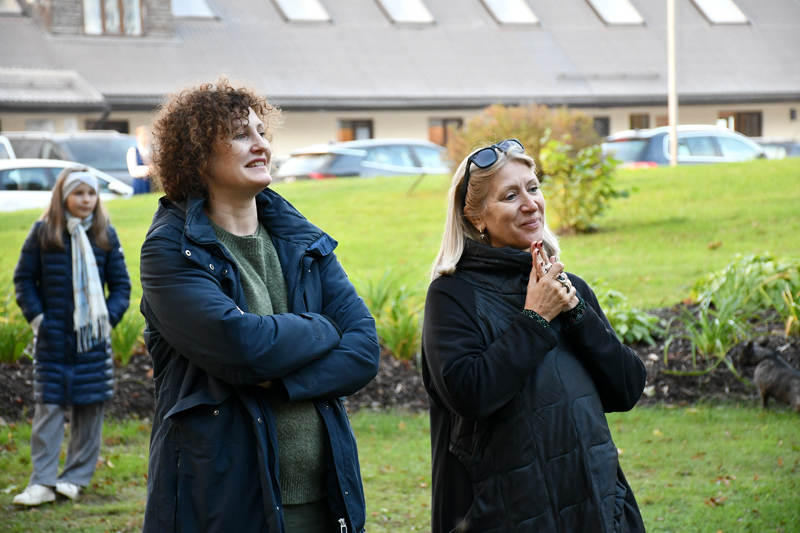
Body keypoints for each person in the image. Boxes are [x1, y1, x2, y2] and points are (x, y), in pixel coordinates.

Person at [139, 79, 380, 533]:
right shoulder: (170, 249)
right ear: (197, 155)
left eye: (262, 132)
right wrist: (324, 327)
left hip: (327, 498)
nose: (261, 145)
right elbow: (243, 348)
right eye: (239, 135)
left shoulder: (299, 239)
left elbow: (365, 350)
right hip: (226, 503)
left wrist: (280, 380)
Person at [422, 139, 647, 533]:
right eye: (510, 195)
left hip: (597, 506)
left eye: (533, 188)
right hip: (504, 515)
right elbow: (470, 394)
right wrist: (536, 317)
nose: (530, 204)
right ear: (476, 217)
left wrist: (576, 311)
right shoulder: (452, 295)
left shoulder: (568, 287)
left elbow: (626, 389)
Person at [12, 167, 131, 506]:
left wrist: (105, 322)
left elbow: (121, 286)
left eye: (91, 193)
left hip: (92, 339)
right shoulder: (43, 233)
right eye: (78, 193)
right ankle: (42, 481)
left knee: (90, 408)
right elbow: (24, 279)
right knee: (48, 408)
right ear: (63, 196)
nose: (86, 199)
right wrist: (39, 320)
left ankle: (75, 478)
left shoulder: (104, 234)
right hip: (53, 339)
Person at [127, 125, 152, 194]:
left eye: (147, 135)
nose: (145, 137)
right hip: (139, 183)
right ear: (137, 137)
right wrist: (148, 169)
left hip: (150, 183)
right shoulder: (133, 151)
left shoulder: (151, 151)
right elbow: (133, 171)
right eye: (143, 135)